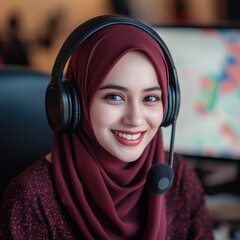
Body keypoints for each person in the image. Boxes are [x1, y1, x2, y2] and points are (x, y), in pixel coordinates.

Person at [0, 15, 213, 239]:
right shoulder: (32, 199)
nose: (135, 119)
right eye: (114, 96)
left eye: (150, 98)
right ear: (74, 102)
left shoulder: (177, 177)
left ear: (169, 106)